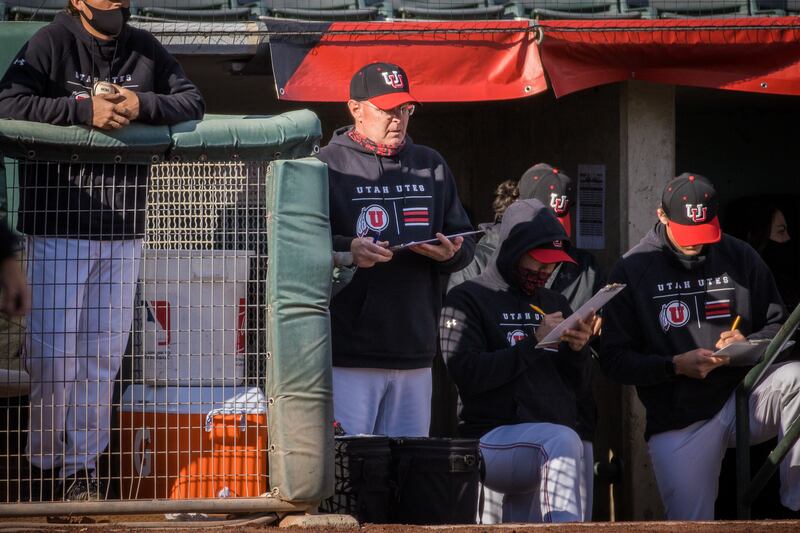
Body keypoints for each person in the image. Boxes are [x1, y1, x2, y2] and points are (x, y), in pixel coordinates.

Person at [0, 0, 204, 501]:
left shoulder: (144, 47)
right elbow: (8, 102)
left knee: (103, 358)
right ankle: (42, 465)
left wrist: (141, 106)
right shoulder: (52, 41)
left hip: (124, 228)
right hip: (57, 227)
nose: (113, 5)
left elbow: (192, 101)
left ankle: (81, 469)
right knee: (53, 360)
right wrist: (78, 110)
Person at [600, 173, 800, 520]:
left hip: (744, 398)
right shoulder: (633, 268)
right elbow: (614, 360)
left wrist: (749, 344)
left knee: (798, 377)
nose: (696, 244)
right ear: (662, 216)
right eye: (687, 234)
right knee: (691, 523)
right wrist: (673, 365)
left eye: (704, 232)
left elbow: (781, 328)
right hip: (681, 415)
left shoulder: (740, 254)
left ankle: (796, 502)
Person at [317, 62, 475, 437]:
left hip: (415, 351)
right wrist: (347, 251)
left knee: (408, 471)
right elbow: (302, 243)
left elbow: (465, 239)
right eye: (387, 110)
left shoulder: (430, 163)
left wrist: (451, 253)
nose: (398, 119)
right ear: (355, 108)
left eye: (405, 110)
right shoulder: (325, 164)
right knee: (350, 474)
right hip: (348, 353)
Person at [446, 163, 604, 521]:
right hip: (491, 438)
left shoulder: (554, 302)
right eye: (539, 261)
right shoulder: (468, 296)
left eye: (552, 264)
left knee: (560, 440)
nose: (545, 271)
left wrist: (578, 352)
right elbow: (465, 373)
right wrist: (534, 342)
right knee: (563, 440)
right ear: (513, 248)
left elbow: (576, 388)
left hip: (542, 440)